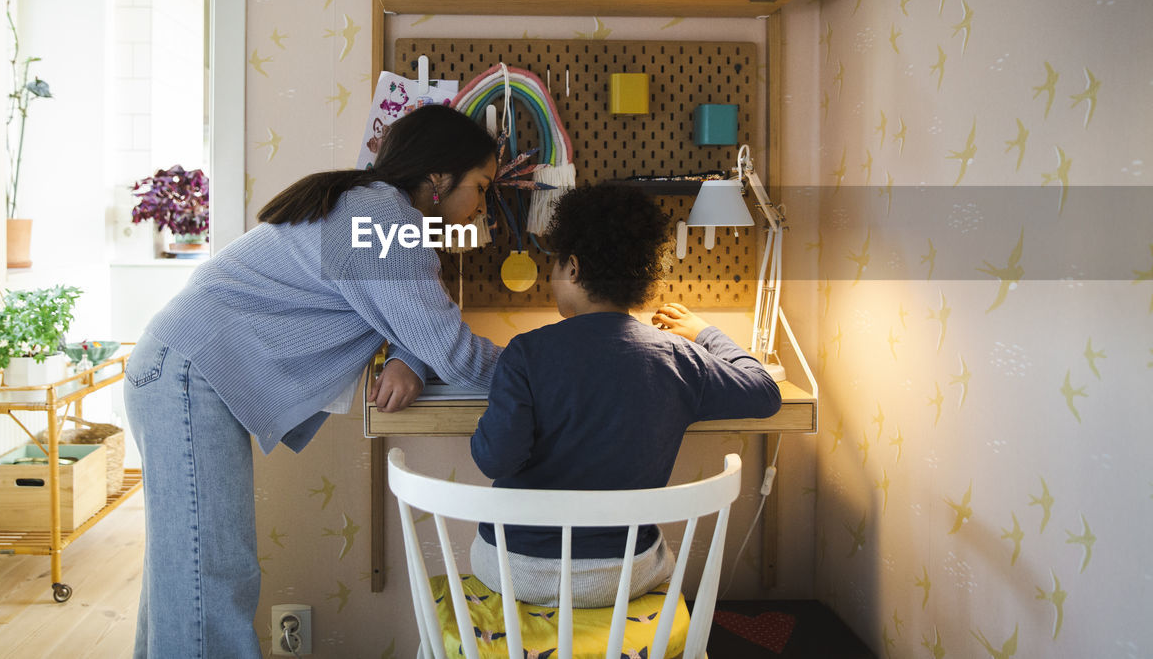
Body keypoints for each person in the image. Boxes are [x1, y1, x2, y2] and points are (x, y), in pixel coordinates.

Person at [124, 105, 502, 657]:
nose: (482, 206)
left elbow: (412, 322)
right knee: (209, 574)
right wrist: (550, 370)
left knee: (187, 574)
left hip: (182, 369)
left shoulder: (371, 209)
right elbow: (451, 347)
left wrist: (409, 360)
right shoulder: (378, 220)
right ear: (440, 180)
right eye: (482, 187)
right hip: (188, 374)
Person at [469, 183, 782, 607]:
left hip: (514, 569)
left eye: (556, 267)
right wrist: (704, 332)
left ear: (574, 268)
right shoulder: (679, 357)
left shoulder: (526, 353)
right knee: (654, 553)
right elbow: (764, 391)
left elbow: (496, 459)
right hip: (619, 576)